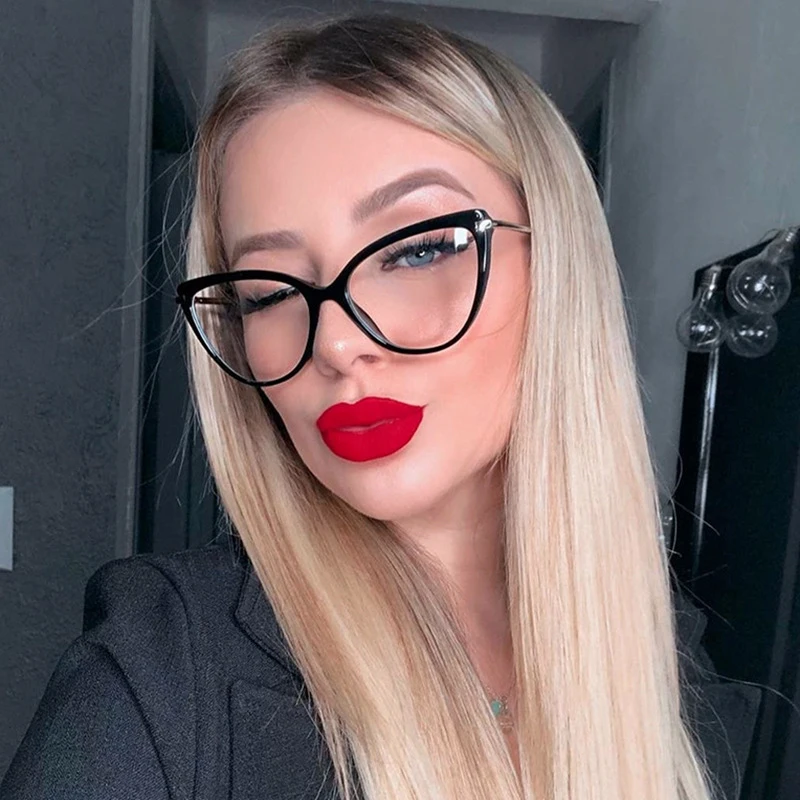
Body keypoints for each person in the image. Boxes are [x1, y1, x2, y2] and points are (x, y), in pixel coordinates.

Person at [0, 12, 761, 800]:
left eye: (419, 249)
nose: (335, 343)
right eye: (268, 293)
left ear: (558, 265)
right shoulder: (154, 679)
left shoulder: (679, 677)